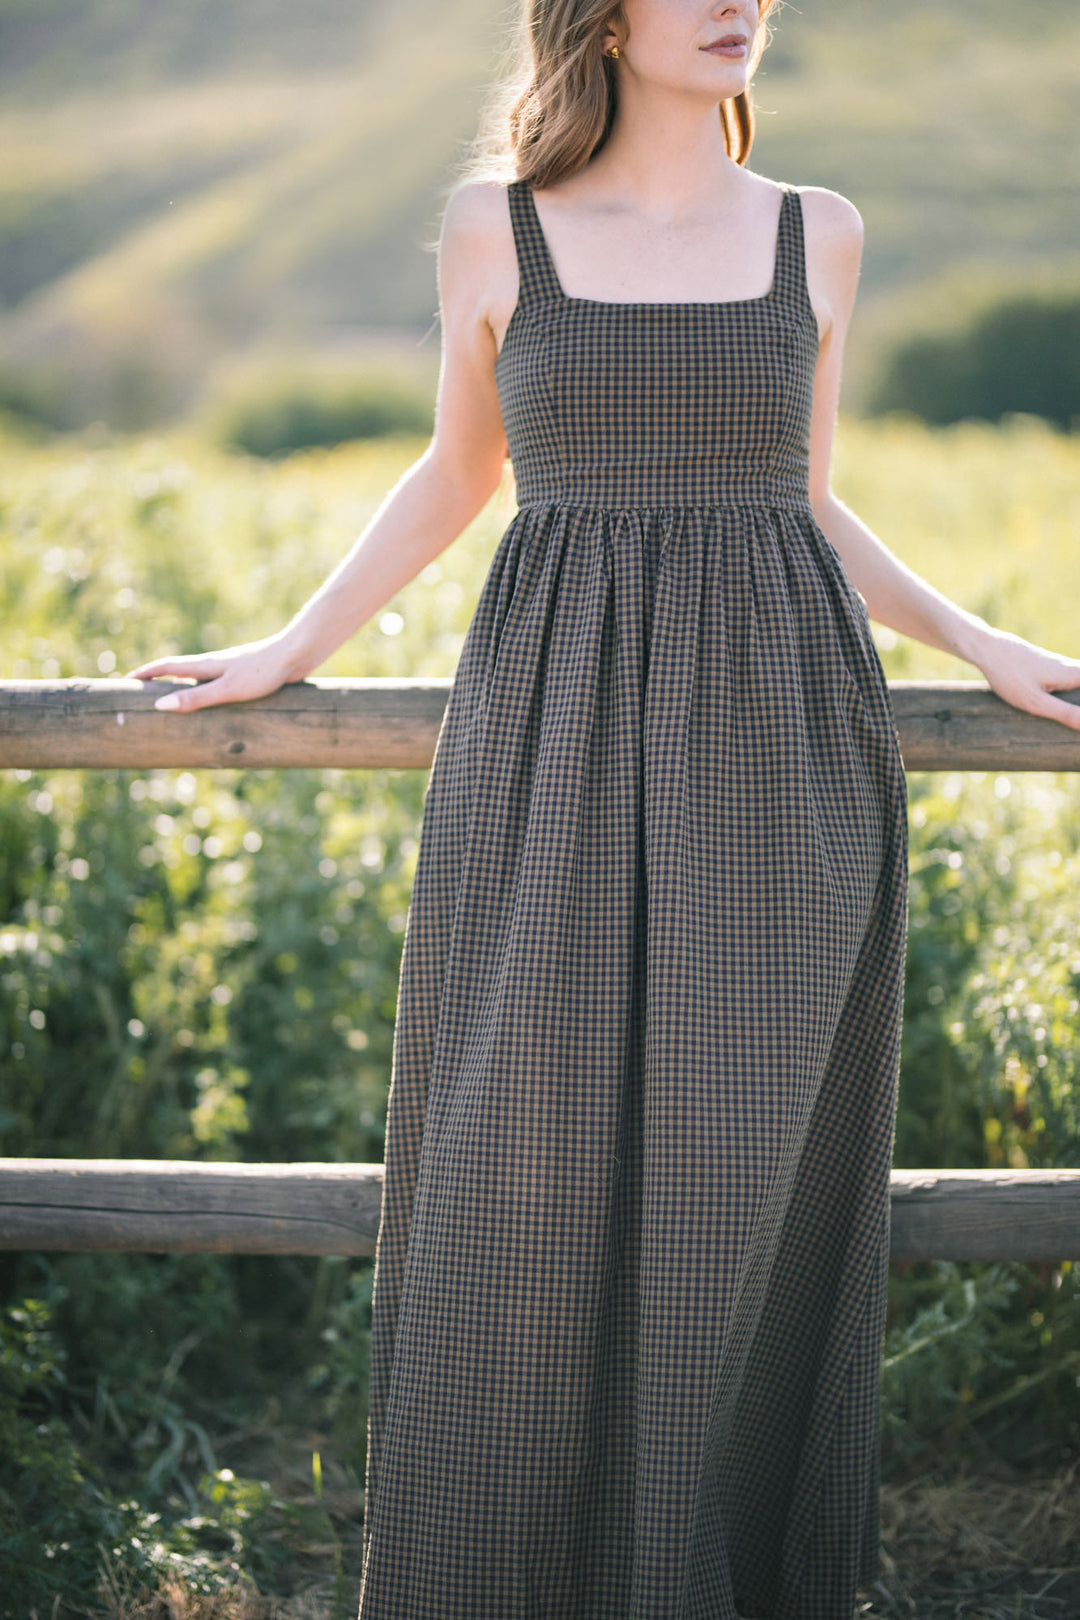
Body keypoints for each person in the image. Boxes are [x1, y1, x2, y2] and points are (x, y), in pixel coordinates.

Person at [126, 1, 1080, 1614]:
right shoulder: (493, 227)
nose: (739, 7)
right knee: (521, 1156)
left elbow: (810, 498)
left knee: (748, 1170)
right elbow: (456, 471)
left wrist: (981, 642)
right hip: (551, 737)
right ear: (600, 17)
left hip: (780, 745)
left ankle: (712, 1578)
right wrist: (291, 647)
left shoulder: (816, 233)